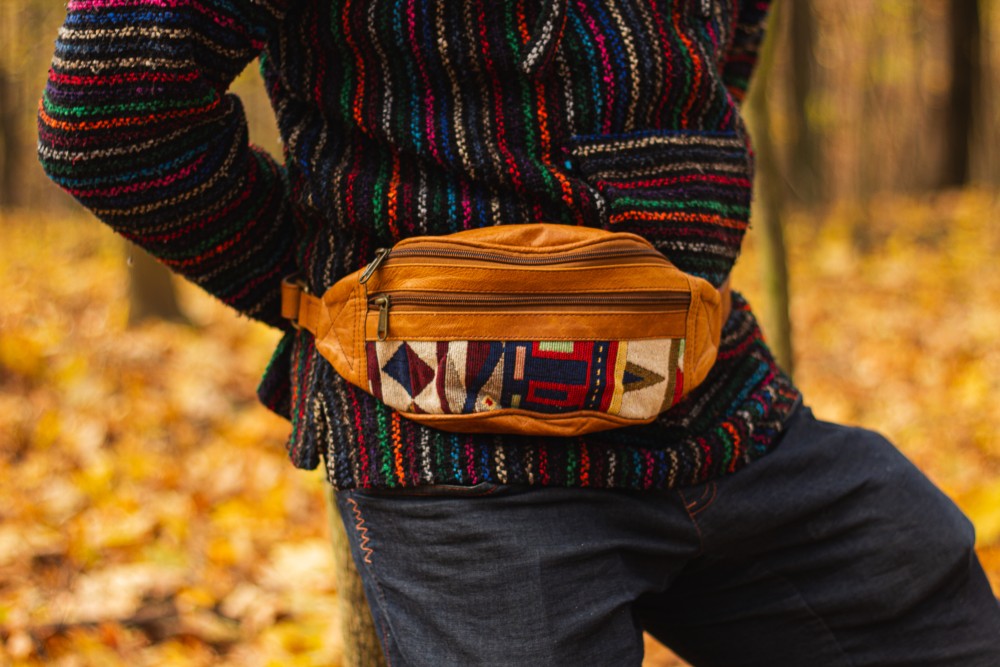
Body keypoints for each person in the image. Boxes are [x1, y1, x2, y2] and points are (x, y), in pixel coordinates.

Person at [38, 0, 1000, 664]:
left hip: (712, 394)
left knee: (930, 603)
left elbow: (722, 48)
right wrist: (334, 298)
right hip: (462, 460)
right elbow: (110, 110)